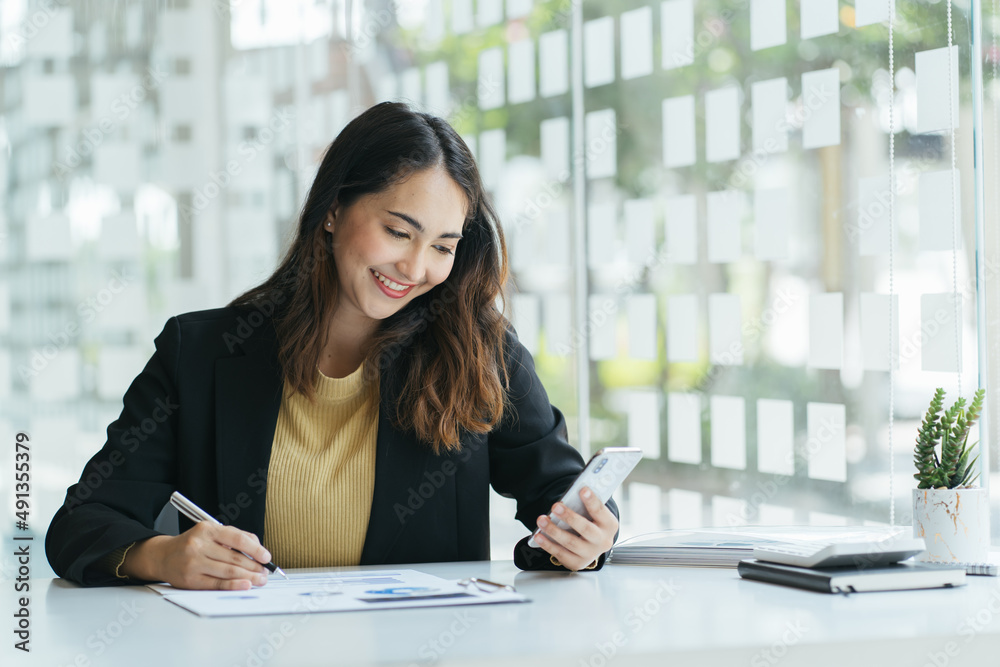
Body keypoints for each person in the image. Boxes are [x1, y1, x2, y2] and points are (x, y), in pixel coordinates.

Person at [45, 102, 620, 590]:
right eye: (398, 232)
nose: (416, 268)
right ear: (332, 211)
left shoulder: (478, 350)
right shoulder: (197, 354)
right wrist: (164, 557)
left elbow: (560, 490)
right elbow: (82, 523)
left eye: (443, 247)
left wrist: (591, 534)